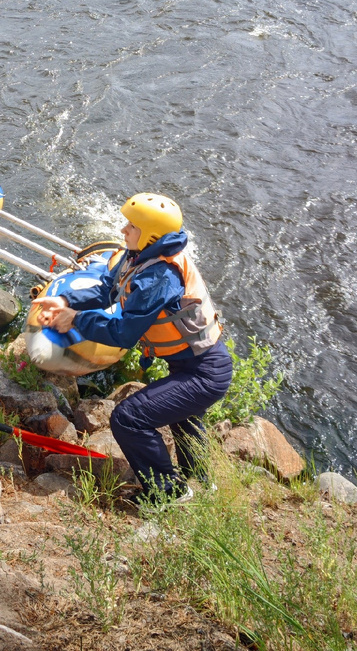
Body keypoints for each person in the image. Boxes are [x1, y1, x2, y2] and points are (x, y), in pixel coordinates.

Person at [35, 193, 233, 506]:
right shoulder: (140, 255)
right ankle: (200, 486)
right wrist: (66, 302)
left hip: (206, 372)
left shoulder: (161, 275)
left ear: (151, 233)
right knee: (184, 420)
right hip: (190, 366)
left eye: (132, 225)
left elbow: (124, 332)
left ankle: (169, 494)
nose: (124, 229)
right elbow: (106, 289)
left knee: (129, 418)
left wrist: (75, 321)